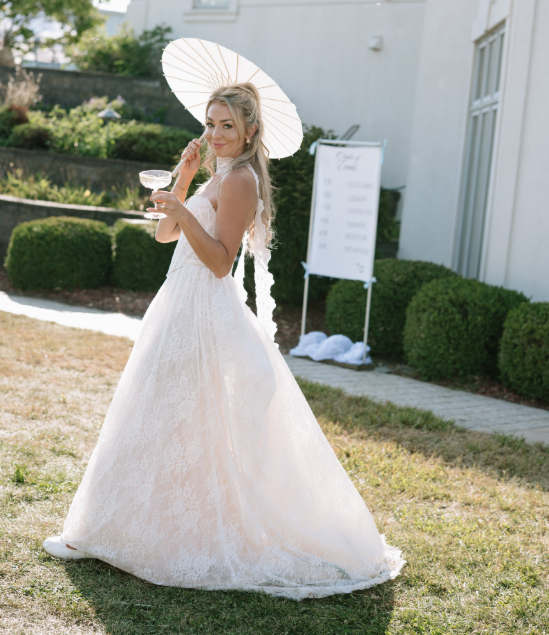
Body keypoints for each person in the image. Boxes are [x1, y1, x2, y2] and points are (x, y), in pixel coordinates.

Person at [43, 83, 404, 600]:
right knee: (154, 414)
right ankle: (107, 530)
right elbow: (165, 235)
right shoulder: (217, 174)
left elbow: (219, 262)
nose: (214, 134)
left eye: (227, 125)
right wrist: (184, 180)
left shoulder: (241, 181)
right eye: (210, 123)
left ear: (250, 131)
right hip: (177, 303)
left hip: (203, 311)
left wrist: (185, 210)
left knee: (174, 416)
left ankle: (132, 536)